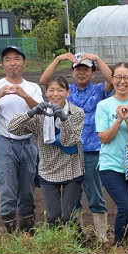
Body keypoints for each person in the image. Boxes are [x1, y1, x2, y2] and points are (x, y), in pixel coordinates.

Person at [39, 52, 112, 242]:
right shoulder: (66, 90)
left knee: (95, 194)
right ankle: (75, 236)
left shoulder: (98, 91)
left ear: (92, 73)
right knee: (74, 199)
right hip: (68, 152)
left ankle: (101, 238)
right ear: (72, 73)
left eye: (86, 69)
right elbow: (45, 80)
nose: (81, 73)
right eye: (78, 69)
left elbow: (111, 79)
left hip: (91, 151)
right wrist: (58, 59)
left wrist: (97, 58)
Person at [0, 46, 43, 233]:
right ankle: (11, 233)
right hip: (3, 143)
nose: (12, 63)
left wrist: (24, 95)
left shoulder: (32, 87)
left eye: (16, 59)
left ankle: (27, 232)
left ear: (24, 63)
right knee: (7, 191)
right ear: (2, 64)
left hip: (28, 144)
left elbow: (41, 113)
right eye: (8, 59)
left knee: (27, 191)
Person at [8, 76, 85, 229]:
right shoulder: (40, 115)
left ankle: (77, 245)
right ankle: (53, 248)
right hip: (48, 170)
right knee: (53, 216)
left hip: (72, 168)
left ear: (68, 92)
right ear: (46, 92)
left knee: (68, 216)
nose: (55, 94)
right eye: (51, 90)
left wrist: (64, 119)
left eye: (60, 90)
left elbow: (69, 141)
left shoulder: (76, 113)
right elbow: (12, 128)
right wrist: (30, 113)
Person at [96, 63, 128, 246]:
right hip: (111, 165)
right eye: (118, 77)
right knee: (127, 207)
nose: (122, 81)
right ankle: (118, 246)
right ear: (112, 79)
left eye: (127, 77)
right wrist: (119, 120)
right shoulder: (104, 105)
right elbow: (104, 138)